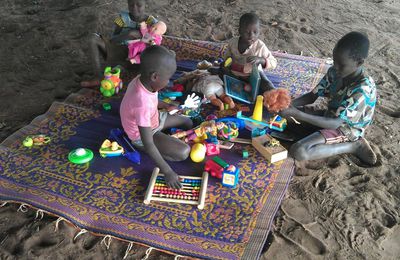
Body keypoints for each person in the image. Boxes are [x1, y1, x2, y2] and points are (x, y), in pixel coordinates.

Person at [279, 31, 377, 165]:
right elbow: (312, 96)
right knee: (286, 119)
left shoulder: (361, 90)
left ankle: (354, 146)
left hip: (346, 128)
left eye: (341, 64)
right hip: (330, 115)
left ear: (359, 62)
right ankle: (315, 132)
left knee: (299, 151)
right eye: (334, 61)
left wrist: (298, 114)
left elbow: (336, 123)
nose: (335, 67)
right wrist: (288, 105)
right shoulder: (335, 72)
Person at [120, 45, 193, 188]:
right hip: (142, 135)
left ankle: (165, 139)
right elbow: (148, 143)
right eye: (168, 79)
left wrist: (166, 106)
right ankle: (157, 148)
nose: (169, 82)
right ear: (154, 76)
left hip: (154, 117)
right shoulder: (141, 103)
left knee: (188, 122)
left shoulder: (144, 81)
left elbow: (152, 100)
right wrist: (168, 171)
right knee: (183, 152)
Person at [81, 0, 155, 87]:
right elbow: (113, 41)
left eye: (139, 5)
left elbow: (155, 44)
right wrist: (127, 35)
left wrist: (141, 38)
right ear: (127, 4)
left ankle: (136, 80)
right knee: (93, 39)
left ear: (145, 5)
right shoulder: (122, 19)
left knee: (154, 61)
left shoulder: (151, 22)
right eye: (131, 5)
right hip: (120, 53)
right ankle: (98, 77)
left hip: (139, 59)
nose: (134, 8)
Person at [222, 12, 277, 92]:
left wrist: (261, 60)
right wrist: (227, 61)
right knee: (222, 72)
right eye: (247, 32)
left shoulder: (260, 46)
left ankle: (274, 96)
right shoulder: (233, 42)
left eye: (255, 32)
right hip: (235, 73)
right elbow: (226, 56)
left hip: (253, 75)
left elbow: (273, 62)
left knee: (267, 85)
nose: (251, 36)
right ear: (239, 31)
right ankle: (242, 87)